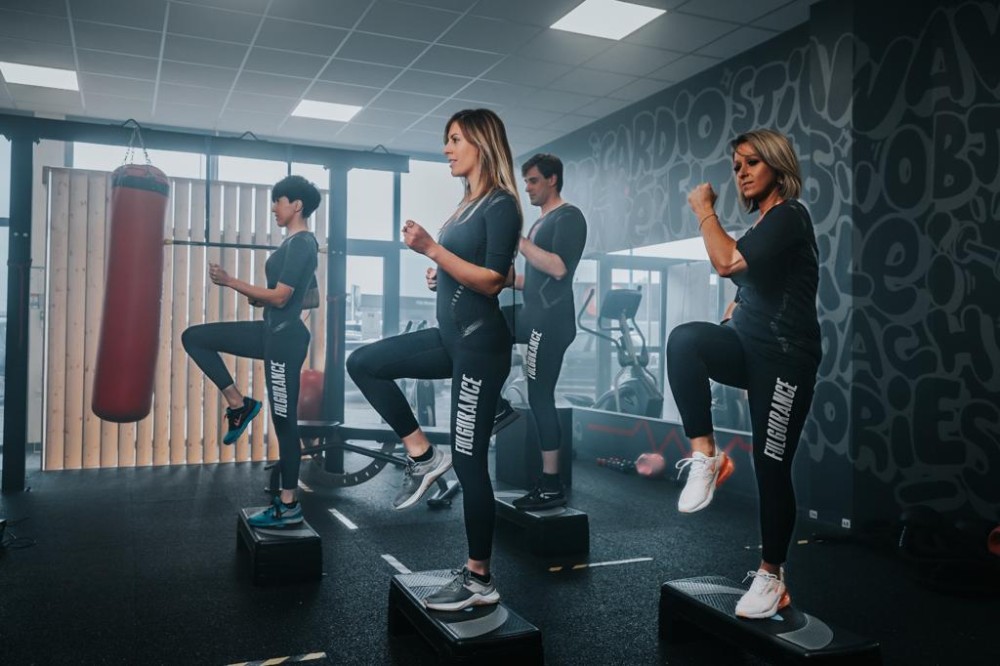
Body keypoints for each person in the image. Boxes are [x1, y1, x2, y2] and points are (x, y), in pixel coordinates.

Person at [346, 109, 521, 611]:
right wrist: (441, 273)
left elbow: (493, 279)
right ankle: (423, 454)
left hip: (479, 347)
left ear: (482, 144)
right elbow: (468, 271)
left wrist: (431, 251)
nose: (446, 149)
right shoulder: (466, 204)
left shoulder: (501, 205)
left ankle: (479, 580)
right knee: (364, 363)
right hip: (451, 339)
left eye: (454, 140)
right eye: (446, 141)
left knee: (471, 467)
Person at [666, 129, 821, 619]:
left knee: (772, 467)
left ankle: (772, 575)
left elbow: (727, 261)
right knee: (686, 339)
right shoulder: (764, 227)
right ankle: (705, 457)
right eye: (736, 166)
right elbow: (752, 282)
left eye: (752, 162)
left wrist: (704, 209)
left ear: (777, 165)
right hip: (748, 346)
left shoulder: (790, 216)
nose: (742, 172)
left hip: (783, 361)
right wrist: (732, 318)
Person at [182, 175, 321, 529]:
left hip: (284, 338)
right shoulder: (292, 245)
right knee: (195, 337)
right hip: (272, 331)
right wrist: (263, 297)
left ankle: (289, 504)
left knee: (284, 422)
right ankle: (239, 404)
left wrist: (231, 281)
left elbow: (283, 297)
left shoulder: (303, 243)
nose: (274, 207)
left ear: (297, 205)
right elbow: (310, 298)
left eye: (279, 201)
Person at [497, 153, 587, 511]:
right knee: (485, 324)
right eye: (526, 182)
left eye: (533, 180)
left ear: (552, 179)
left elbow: (559, 268)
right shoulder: (540, 224)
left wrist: (517, 240)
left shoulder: (569, 217)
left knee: (540, 398)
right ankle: (496, 406)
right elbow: (529, 281)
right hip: (531, 312)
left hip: (550, 322)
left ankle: (551, 484)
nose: (529, 188)